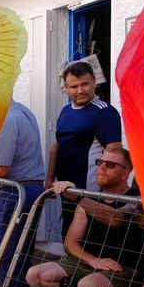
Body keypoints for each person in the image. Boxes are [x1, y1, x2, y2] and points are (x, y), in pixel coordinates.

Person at [26, 143, 144, 287]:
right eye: (100, 162)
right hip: (87, 264)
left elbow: (116, 218)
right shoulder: (90, 198)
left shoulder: (137, 199)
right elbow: (70, 242)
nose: (101, 168)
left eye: (110, 165)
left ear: (126, 173)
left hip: (122, 269)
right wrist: (92, 260)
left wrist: (78, 197)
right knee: (34, 275)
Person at [0, 99, 45, 287]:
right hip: (28, 189)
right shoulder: (22, 111)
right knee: (18, 255)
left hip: (15, 192)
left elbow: (0, 169)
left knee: (8, 256)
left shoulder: (5, 118)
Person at [47, 60, 122, 238]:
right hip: (66, 190)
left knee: (88, 241)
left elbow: (114, 151)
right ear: (66, 88)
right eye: (74, 86)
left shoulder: (104, 112)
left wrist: (107, 192)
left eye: (85, 84)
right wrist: (49, 179)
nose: (80, 90)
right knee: (68, 237)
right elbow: (57, 145)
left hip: (90, 194)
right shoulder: (65, 111)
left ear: (94, 82)